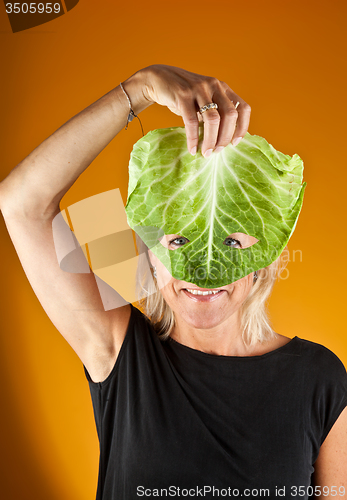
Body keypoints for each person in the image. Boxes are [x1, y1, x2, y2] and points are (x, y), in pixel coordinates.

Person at [0, 64, 346, 499]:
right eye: (179, 240)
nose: (202, 267)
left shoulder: (321, 379)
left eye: (233, 243)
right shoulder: (121, 352)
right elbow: (21, 203)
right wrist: (139, 88)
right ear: (150, 255)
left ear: (267, 256)